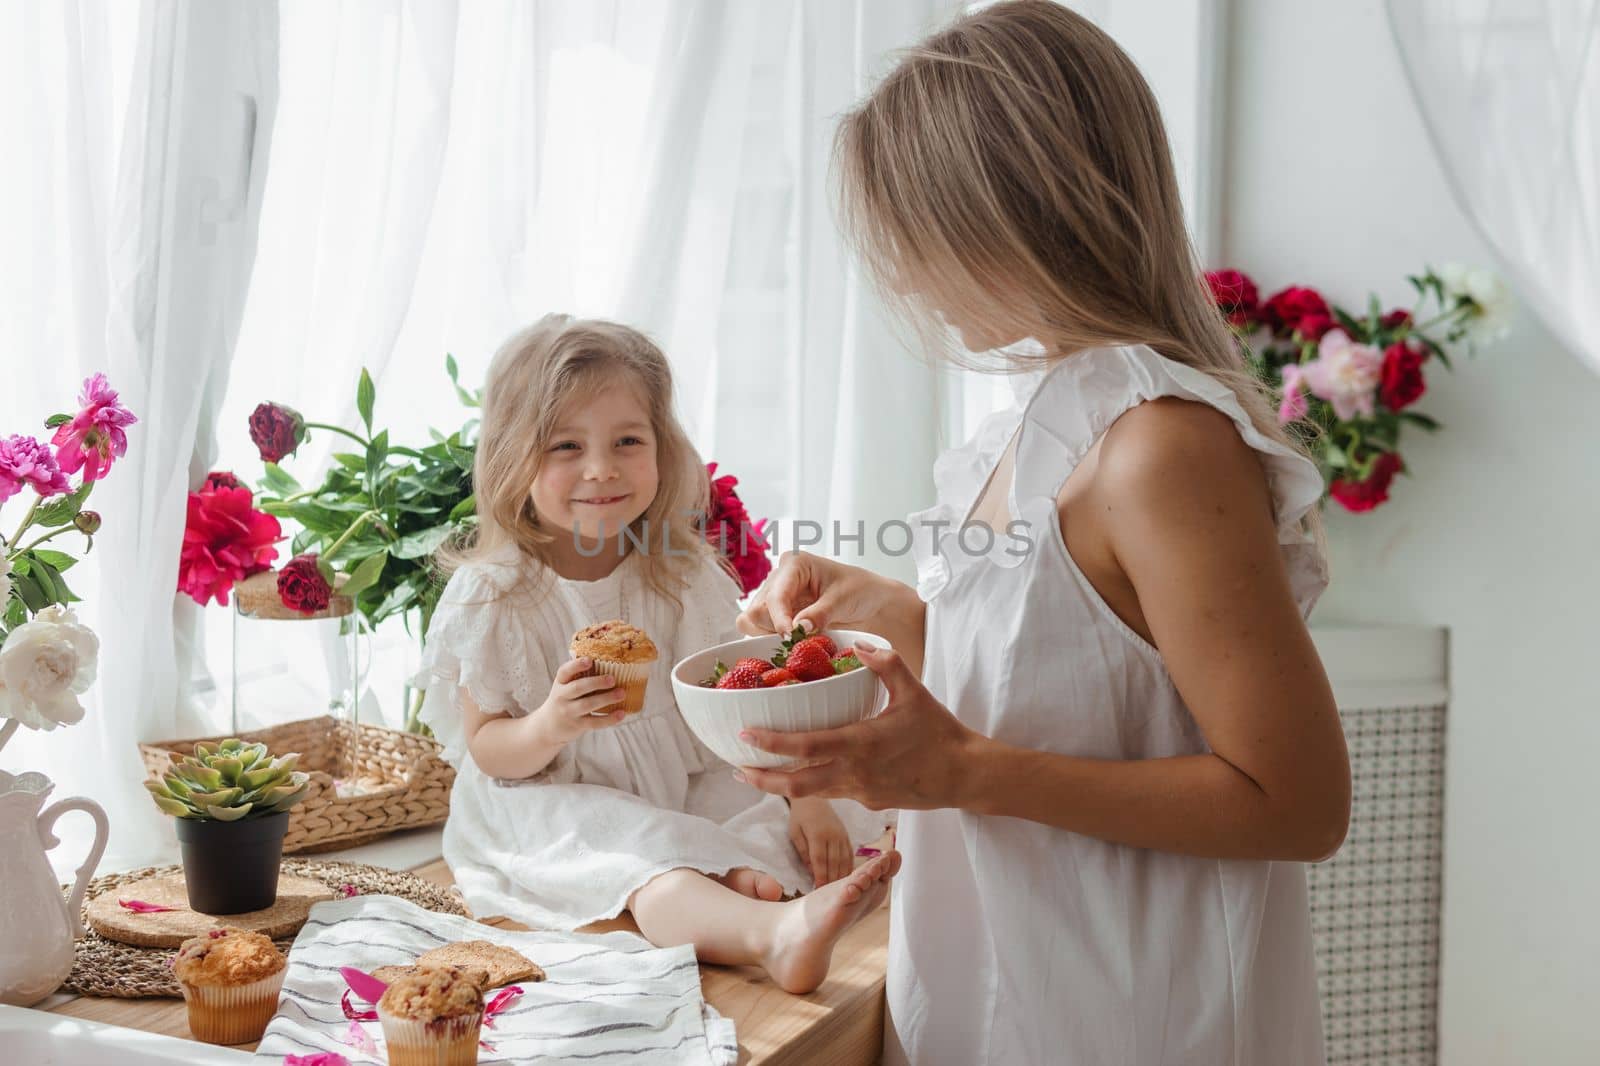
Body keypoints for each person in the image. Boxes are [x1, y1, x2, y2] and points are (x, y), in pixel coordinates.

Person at [732, 2, 1351, 1061]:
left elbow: (1295, 804)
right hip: (1008, 992)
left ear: (1005, 212)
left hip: (1136, 1014)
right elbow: (1098, 688)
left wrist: (960, 771)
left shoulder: (1159, 445)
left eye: (915, 227)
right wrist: (908, 622)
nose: (904, 270)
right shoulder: (1039, 422)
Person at [412, 314, 895, 994]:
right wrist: (553, 721)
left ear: (662, 447)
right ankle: (770, 935)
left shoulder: (679, 573)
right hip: (549, 795)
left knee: (754, 812)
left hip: (674, 775)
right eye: (565, 447)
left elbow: (739, 710)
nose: (601, 468)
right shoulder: (494, 594)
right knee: (637, 860)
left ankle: (726, 883)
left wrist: (805, 800)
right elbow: (490, 750)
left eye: (627, 440)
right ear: (512, 459)